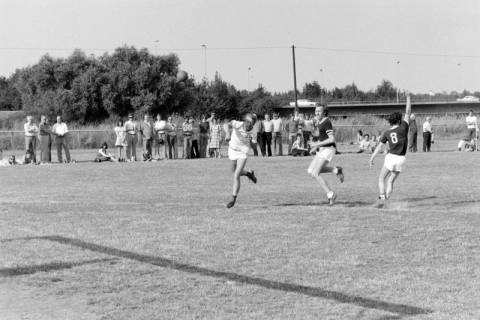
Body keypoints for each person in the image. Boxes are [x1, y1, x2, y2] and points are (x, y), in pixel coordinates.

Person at [369, 94, 412, 209]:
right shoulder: (403, 127)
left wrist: (372, 158)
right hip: (401, 159)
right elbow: (408, 112)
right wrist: (408, 98)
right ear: (399, 120)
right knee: (391, 182)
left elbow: (379, 147)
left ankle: (382, 198)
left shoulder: (387, 132)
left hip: (391, 157)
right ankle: (385, 200)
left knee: (381, 178)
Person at [307, 105, 344, 205]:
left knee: (315, 173)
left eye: (319, 111)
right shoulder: (320, 122)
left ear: (324, 112)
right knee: (311, 171)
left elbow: (332, 139)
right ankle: (336, 170)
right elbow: (323, 138)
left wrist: (316, 144)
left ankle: (330, 194)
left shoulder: (327, 122)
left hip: (328, 150)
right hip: (323, 149)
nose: (317, 113)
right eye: (316, 111)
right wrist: (315, 147)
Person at [225, 114, 258, 208]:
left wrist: (252, 142)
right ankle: (249, 173)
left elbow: (254, 146)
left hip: (243, 152)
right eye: (247, 122)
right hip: (232, 149)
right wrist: (227, 133)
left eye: (251, 123)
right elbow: (226, 124)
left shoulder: (253, 132)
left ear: (253, 124)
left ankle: (233, 198)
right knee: (233, 172)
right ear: (245, 121)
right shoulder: (238, 124)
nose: (248, 124)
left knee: (236, 175)